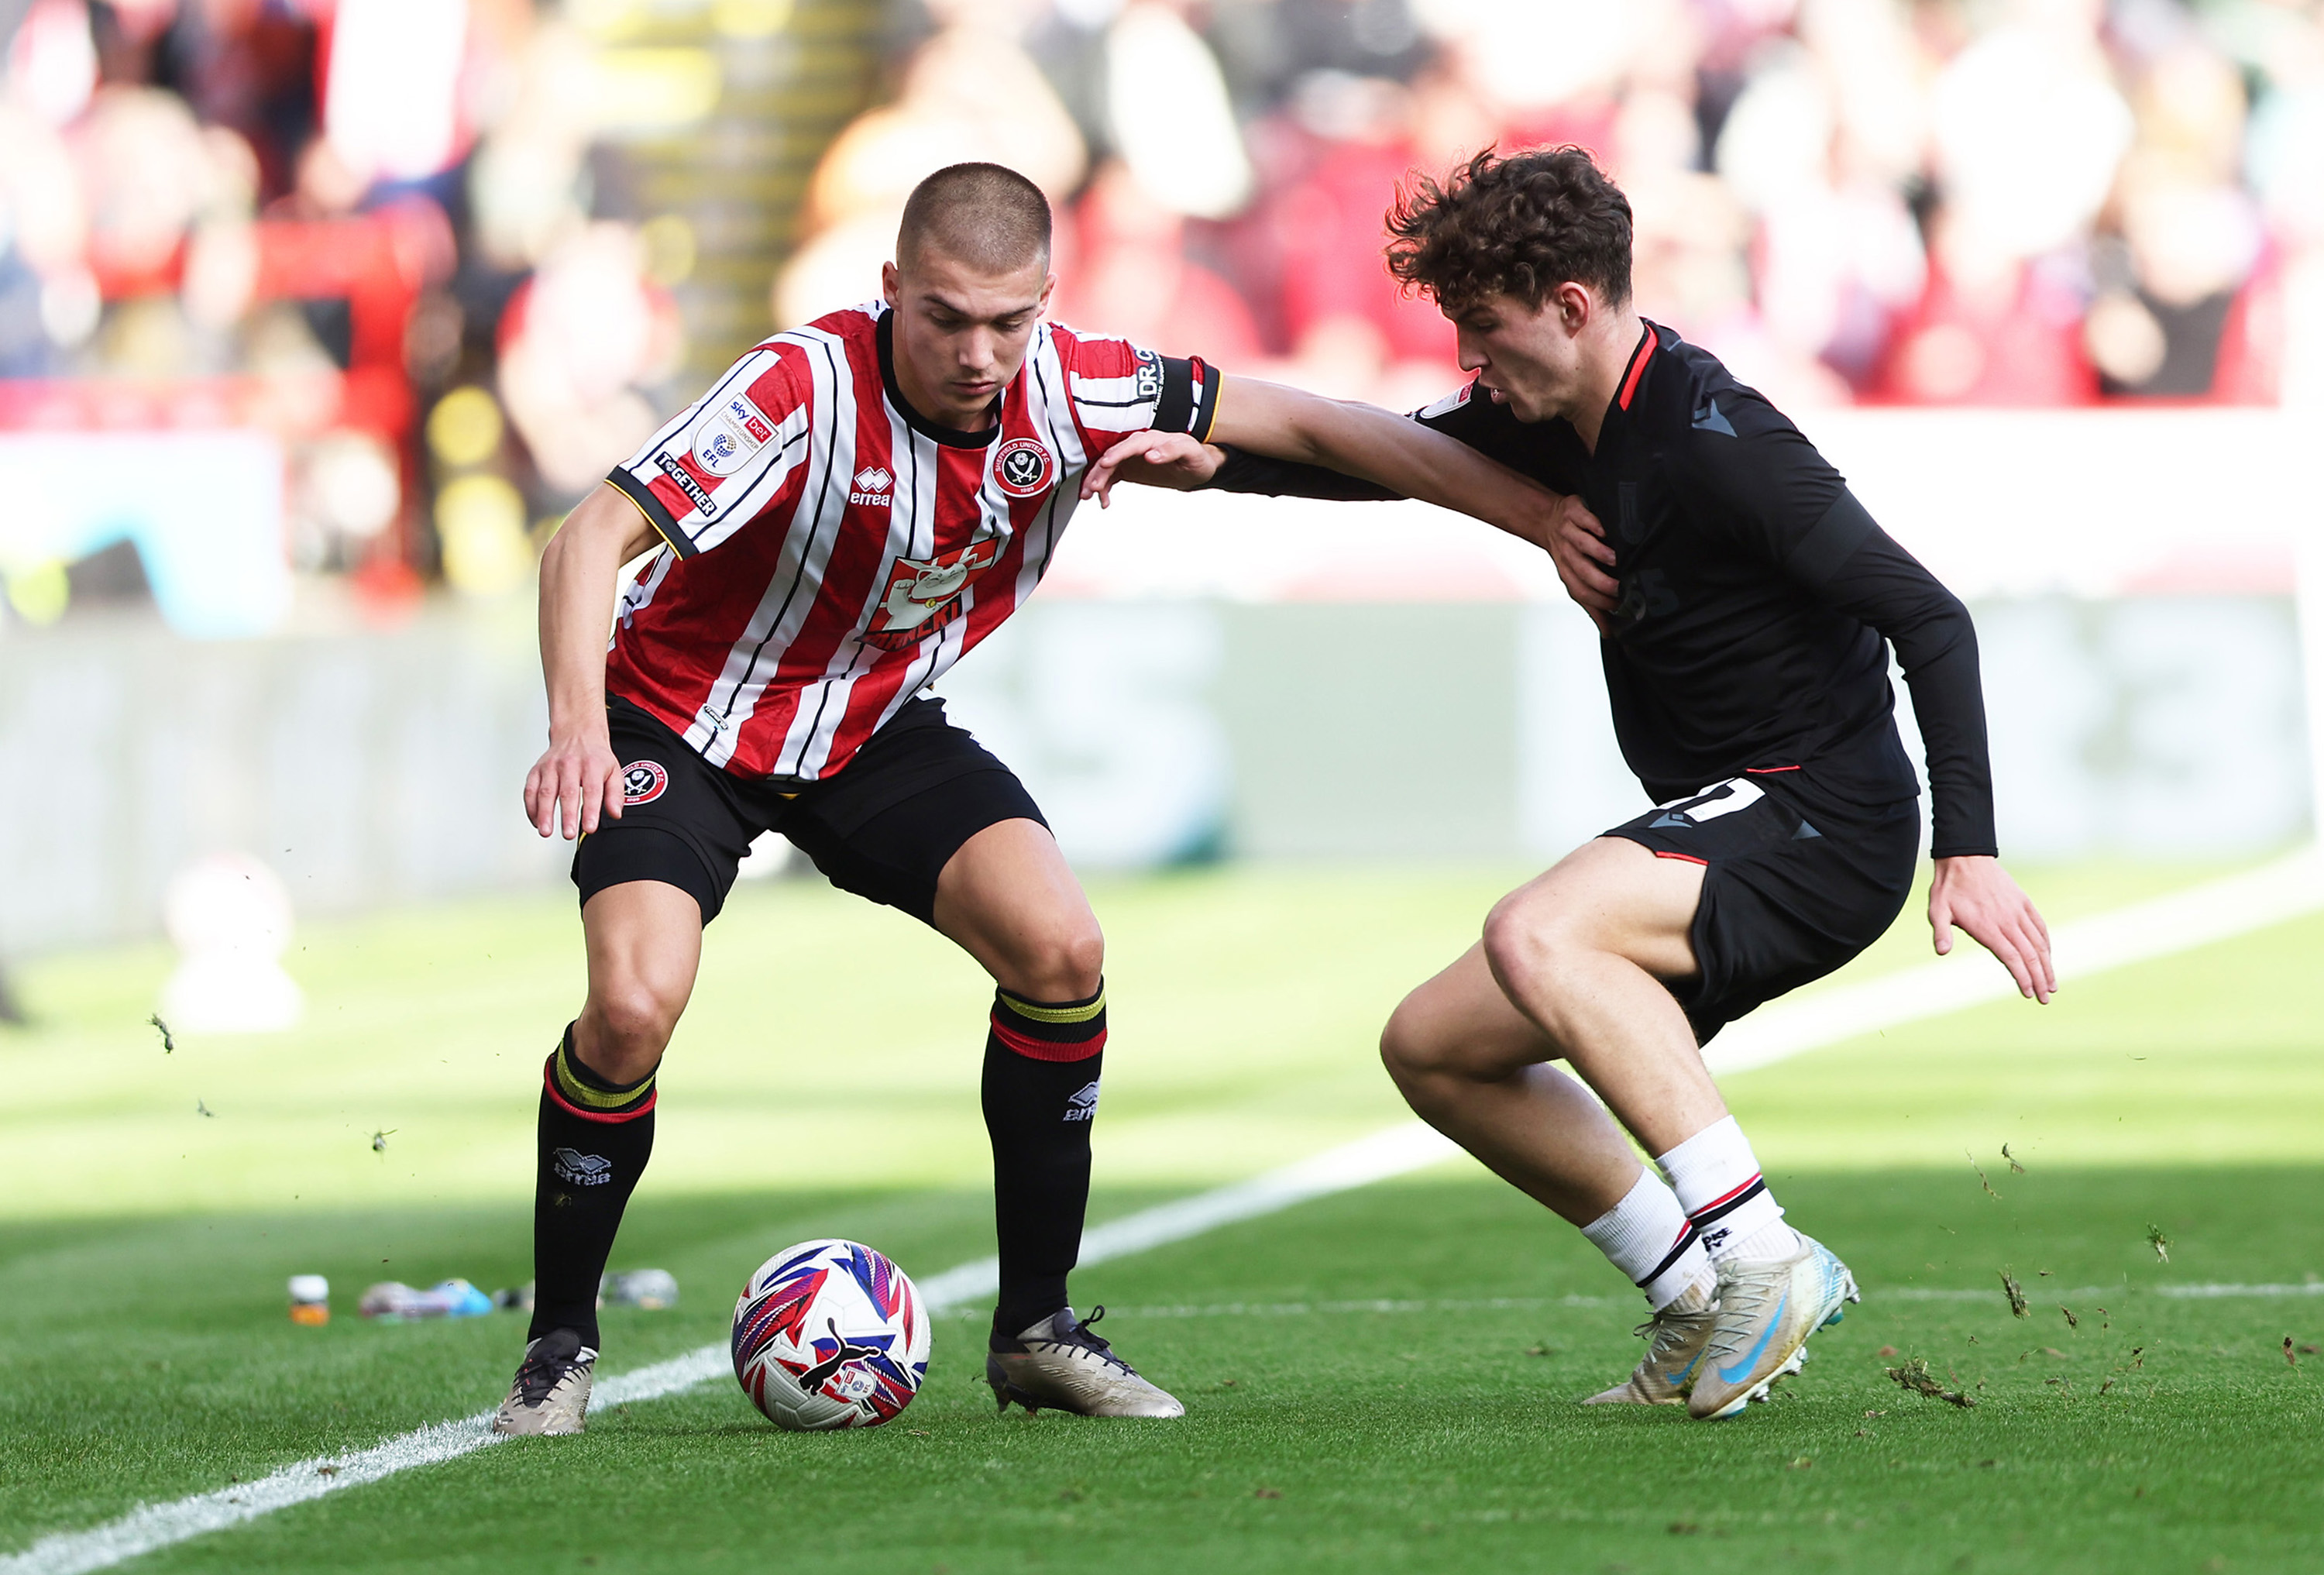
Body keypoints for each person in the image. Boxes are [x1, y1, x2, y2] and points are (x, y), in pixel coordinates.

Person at [497, 161, 1562, 1435]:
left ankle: (1037, 1330)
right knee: (630, 1005)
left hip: (873, 729)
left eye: (1009, 322)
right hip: (680, 716)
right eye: (945, 317)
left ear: (1047, 305)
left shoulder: (1077, 384)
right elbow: (584, 542)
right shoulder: (801, 386)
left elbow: (1323, 433)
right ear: (890, 290)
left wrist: (1541, 518)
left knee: (1061, 948)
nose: (978, 352)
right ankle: (557, 1350)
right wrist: (574, 726)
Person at [1085, 147, 2056, 1421]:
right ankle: (1692, 1299)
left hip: (1822, 815)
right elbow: (1382, 454)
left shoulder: (1722, 443)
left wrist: (1969, 847)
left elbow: (1930, 617)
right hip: (1737, 816)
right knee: (1435, 1049)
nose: (1474, 368)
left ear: (1573, 306)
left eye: (1485, 334)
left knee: (1537, 926)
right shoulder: (1554, 419)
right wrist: (1220, 465)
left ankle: (1761, 1254)